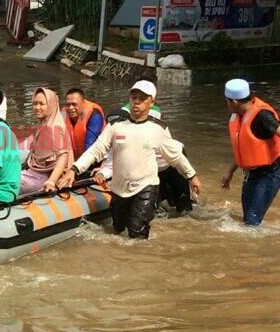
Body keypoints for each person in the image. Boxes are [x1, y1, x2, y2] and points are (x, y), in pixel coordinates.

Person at [59, 81, 202, 239]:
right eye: (134, 97)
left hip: (146, 186)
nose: (137, 102)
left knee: (136, 232)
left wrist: (192, 176)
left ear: (151, 102)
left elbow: (175, 156)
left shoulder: (158, 129)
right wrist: (74, 169)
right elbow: (96, 149)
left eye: (142, 98)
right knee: (118, 230)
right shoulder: (115, 126)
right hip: (119, 188)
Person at [99, 102, 193, 215]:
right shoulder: (117, 137)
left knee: (183, 207)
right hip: (151, 172)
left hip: (172, 164)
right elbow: (111, 164)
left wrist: (191, 176)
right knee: (154, 210)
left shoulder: (150, 130)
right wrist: (101, 173)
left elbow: (176, 157)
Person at [221, 78, 280, 226]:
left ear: (234, 102)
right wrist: (230, 172)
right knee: (248, 219)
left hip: (270, 173)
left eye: (227, 101)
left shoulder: (262, 116)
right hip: (251, 175)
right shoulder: (238, 117)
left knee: (252, 221)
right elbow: (243, 149)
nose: (227, 105)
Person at [19, 88, 73, 196]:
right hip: (35, 171)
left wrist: (51, 181)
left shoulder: (54, 128)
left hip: (44, 177)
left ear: (51, 105)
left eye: (41, 104)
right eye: (35, 103)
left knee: (5, 181)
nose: (37, 108)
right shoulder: (43, 122)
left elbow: (63, 157)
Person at [62, 88, 105, 159]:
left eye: (74, 104)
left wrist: (76, 167)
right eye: (68, 104)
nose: (70, 108)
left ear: (83, 103)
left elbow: (89, 145)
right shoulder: (63, 113)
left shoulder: (94, 116)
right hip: (75, 159)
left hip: (95, 159)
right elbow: (57, 137)